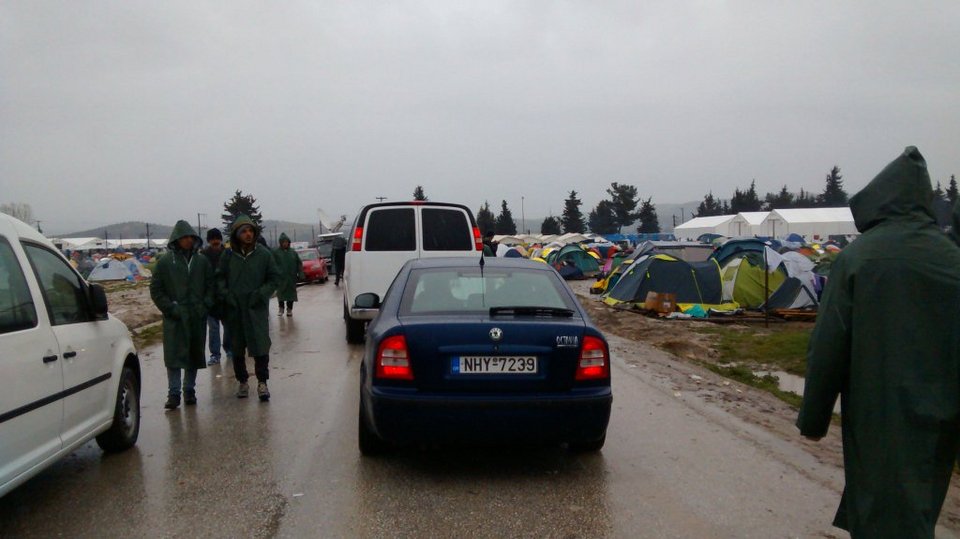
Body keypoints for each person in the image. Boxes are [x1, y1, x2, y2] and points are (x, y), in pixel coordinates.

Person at [797, 147, 960, 538]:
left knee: (880, 507)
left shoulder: (858, 259)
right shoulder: (951, 258)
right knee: (921, 503)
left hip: (877, 410)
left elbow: (828, 348)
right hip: (942, 414)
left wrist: (814, 419)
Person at [149, 220, 214, 410]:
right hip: (175, 317)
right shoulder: (165, 263)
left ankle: (189, 390)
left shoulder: (201, 262)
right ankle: (174, 393)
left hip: (196, 315)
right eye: (184, 237)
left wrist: (204, 306)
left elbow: (210, 286)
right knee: (174, 355)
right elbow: (156, 289)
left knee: (193, 353)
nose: (188, 240)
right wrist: (170, 308)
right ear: (176, 239)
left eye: (191, 237)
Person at [218, 215, 280, 401]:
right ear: (236, 234)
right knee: (237, 348)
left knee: (261, 346)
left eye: (250, 230)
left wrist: (261, 294)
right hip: (235, 309)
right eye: (244, 231)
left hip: (256, 309)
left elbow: (274, 278)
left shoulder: (263, 254)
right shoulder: (228, 256)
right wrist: (227, 295)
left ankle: (262, 382)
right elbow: (219, 278)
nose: (248, 234)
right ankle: (243, 381)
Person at [201, 228, 231, 365]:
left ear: (220, 239)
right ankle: (215, 354)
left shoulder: (228, 253)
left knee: (228, 327)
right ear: (209, 241)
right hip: (210, 298)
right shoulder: (203, 256)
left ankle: (229, 349)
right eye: (212, 239)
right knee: (213, 329)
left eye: (217, 238)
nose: (215, 241)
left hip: (225, 297)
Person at [273, 233, 304, 317]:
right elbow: (272, 264)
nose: (285, 243)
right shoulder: (276, 253)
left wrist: (300, 273)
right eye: (283, 242)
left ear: (289, 242)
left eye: (286, 242)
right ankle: (281, 308)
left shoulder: (293, 252)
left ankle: (289, 309)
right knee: (280, 293)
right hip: (281, 278)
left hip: (291, 277)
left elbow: (299, 263)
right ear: (280, 243)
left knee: (291, 295)